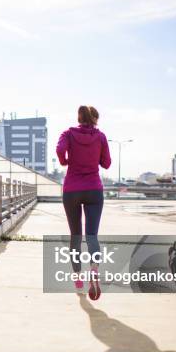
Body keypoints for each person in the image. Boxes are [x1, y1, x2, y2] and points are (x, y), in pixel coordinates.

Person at [56, 105, 111, 299]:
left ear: (79, 118)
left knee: (75, 236)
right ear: (95, 119)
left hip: (72, 190)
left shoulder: (68, 133)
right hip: (94, 189)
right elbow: (106, 163)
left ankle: (78, 279)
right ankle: (94, 271)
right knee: (92, 235)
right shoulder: (101, 136)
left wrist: (64, 161)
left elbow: (60, 149)